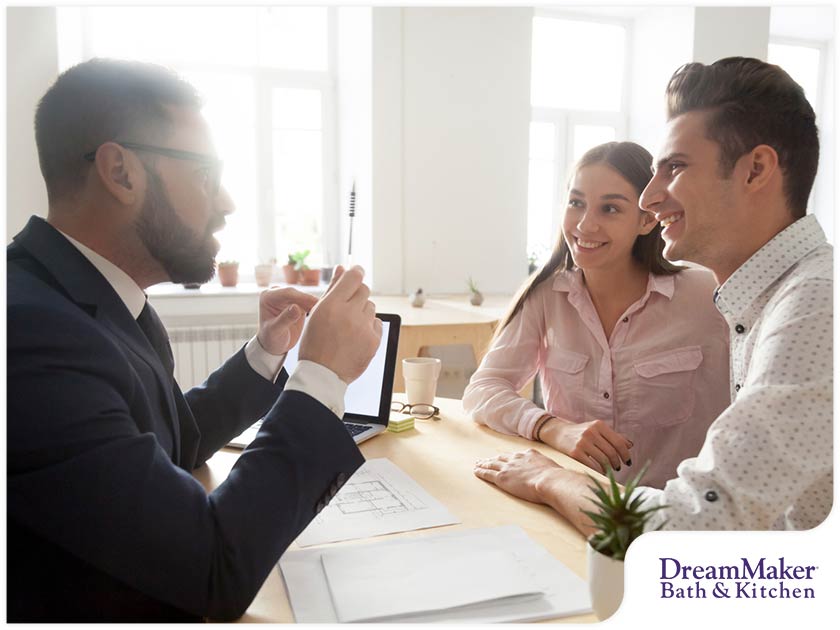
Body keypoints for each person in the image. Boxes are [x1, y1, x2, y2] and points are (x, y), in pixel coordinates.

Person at [7, 58, 382, 621]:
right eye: (206, 174)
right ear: (120, 172)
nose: (227, 203)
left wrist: (267, 352)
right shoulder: (29, 335)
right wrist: (320, 376)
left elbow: (167, 445)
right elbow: (212, 570)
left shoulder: (95, 299)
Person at [474, 57, 831, 532]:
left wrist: (549, 479)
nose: (650, 198)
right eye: (576, 202)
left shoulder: (815, 306)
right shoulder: (760, 299)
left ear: (756, 170)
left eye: (675, 167)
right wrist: (551, 432)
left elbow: (700, 522)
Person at [464, 141, 730, 490]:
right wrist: (551, 427)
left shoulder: (708, 295)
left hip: (669, 510)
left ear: (647, 220)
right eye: (576, 203)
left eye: (610, 209)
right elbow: (483, 389)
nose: (585, 225)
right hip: (569, 500)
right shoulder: (547, 296)